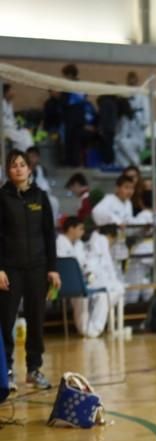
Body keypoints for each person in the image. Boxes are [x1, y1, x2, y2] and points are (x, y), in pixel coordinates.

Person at [0, 150, 59, 390]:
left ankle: (34, 369)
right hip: (10, 270)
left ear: (29, 169)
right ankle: (8, 371)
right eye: (13, 165)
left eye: (22, 165)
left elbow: (49, 235)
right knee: (6, 321)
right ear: (7, 170)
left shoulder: (40, 197)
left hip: (38, 268)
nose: (18, 169)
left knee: (36, 320)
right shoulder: (1, 197)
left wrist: (53, 269)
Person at [56, 217, 110, 338]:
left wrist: (89, 273)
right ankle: (85, 330)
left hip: (82, 281)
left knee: (102, 294)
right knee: (82, 297)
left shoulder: (79, 245)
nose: (83, 232)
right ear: (70, 229)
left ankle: (95, 329)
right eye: (80, 229)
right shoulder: (59, 243)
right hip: (66, 283)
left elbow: (85, 264)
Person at [2, 84, 34, 152]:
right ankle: (22, 155)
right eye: (11, 91)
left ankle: (27, 154)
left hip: (11, 128)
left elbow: (11, 118)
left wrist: (18, 124)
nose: (13, 92)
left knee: (26, 133)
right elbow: (3, 120)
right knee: (20, 138)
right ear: (6, 93)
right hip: (4, 129)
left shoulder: (9, 103)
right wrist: (14, 124)